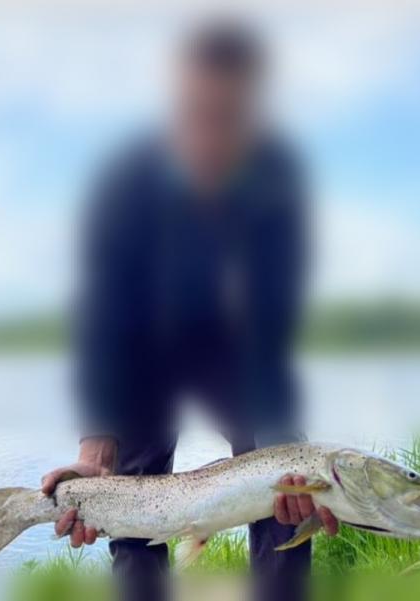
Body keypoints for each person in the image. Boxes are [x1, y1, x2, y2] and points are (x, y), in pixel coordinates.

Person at [41, 19, 338, 601]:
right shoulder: (128, 185)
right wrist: (96, 451)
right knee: (131, 485)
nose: (211, 135)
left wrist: (286, 454)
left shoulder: (276, 186)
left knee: (286, 470)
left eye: (229, 118)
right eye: (199, 114)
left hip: (233, 340)